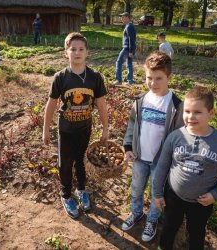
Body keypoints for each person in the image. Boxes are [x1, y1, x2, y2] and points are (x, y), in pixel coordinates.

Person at [153, 86, 217, 250]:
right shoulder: (175, 137)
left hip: (202, 202)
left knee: (197, 232)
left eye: (197, 112)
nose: (190, 117)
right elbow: (162, 166)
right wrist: (157, 193)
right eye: (187, 111)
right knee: (169, 227)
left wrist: (216, 194)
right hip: (173, 195)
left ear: (211, 113)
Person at [42, 32, 109, 219]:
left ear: (87, 52)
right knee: (65, 163)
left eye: (81, 49)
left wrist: (105, 127)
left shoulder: (95, 77)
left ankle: (81, 189)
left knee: (81, 160)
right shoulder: (61, 77)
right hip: (66, 129)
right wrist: (45, 129)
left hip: (85, 127)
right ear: (66, 53)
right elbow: (51, 105)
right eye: (73, 49)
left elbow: (101, 104)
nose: (77, 52)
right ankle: (66, 194)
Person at [121, 51, 184, 242]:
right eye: (149, 78)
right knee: (136, 188)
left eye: (159, 79)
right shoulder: (141, 100)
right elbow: (132, 124)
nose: (153, 83)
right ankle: (136, 212)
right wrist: (128, 146)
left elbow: (179, 135)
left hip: (161, 162)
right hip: (140, 157)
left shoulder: (176, 105)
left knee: (157, 194)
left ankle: (152, 219)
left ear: (169, 77)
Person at [114, 12, 136, 85]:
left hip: (127, 48)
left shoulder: (129, 26)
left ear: (127, 17)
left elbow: (131, 39)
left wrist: (130, 51)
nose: (121, 19)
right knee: (129, 64)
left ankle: (118, 80)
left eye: (123, 17)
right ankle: (130, 81)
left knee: (118, 62)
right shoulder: (129, 26)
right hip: (128, 49)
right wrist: (131, 51)